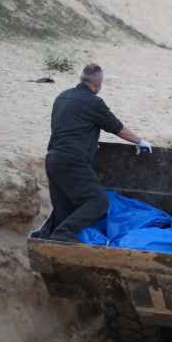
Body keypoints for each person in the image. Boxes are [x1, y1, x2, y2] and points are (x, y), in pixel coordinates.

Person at [34, 64, 153, 242]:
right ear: (97, 84)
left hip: (52, 159)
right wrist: (139, 141)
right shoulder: (93, 102)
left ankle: (47, 237)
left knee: (63, 207)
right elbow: (117, 127)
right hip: (73, 161)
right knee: (99, 202)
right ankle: (63, 233)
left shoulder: (62, 97)